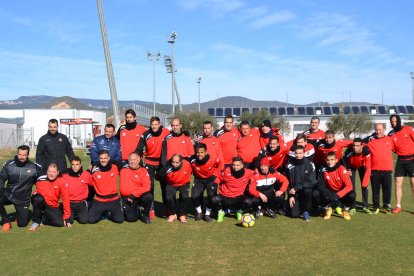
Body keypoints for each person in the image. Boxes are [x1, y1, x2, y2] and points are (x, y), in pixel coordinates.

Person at [135, 116, 170, 219]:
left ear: (159, 125)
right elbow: (139, 149)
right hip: (149, 163)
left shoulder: (166, 132)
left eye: (156, 124)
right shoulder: (146, 134)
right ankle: (151, 209)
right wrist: (138, 160)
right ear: (150, 125)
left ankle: (167, 208)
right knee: (150, 187)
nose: (154, 127)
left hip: (162, 163)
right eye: (152, 125)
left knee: (165, 187)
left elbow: (173, 140)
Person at [0, 145, 41, 231]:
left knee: (22, 224)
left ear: (28, 155)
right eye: (20, 154)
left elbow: (41, 181)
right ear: (17, 153)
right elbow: (1, 177)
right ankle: (6, 221)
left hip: (22, 199)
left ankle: (19, 215)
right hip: (9, 195)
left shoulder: (34, 167)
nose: (21, 157)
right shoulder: (9, 164)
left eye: (24, 155)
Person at [159, 118, 194, 214]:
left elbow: (191, 154)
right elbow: (164, 154)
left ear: (180, 126)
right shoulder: (167, 138)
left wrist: (189, 169)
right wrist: (164, 167)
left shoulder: (186, 137)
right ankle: (172, 212)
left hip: (184, 170)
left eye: (176, 125)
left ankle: (182, 213)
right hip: (171, 168)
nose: (175, 127)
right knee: (170, 194)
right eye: (173, 125)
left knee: (184, 194)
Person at [29, 163, 71, 230]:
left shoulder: (62, 182)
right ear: (47, 172)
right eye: (49, 171)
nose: (51, 174)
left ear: (57, 172)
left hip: (52, 205)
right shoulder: (40, 179)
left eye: (53, 172)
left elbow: (66, 199)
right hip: (40, 201)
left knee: (60, 223)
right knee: (38, 198)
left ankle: (42, 218)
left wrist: (66, 216)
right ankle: (36, 221)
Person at [211, 157, 254, 222]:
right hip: (225, 196)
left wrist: (270, 170)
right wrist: (215, 184)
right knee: (214, 199)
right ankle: (221, 212)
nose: (235, 167)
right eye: (233, 165)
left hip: (238, 197)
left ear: (242, 166)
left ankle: (239, 211)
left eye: (237, 165)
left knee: (249, 202)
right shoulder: (227, 171)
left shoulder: (248, 172)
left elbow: (256, 173)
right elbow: (219, 177)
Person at [364, 123, 395, 214]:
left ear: (384, 129)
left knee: (387, 189)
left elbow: (397, 149)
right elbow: (360, 143)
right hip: (375, 170)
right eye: (376, 130)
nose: (378, 132)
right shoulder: (370, 141)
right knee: (375, 190)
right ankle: (376, 206)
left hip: (387, 169)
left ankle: (386, 206)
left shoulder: (390, 140)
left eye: (380, 129)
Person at [88, 150, 124, 224]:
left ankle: (112, 211)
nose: (103, 160)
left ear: (108, 158)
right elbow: (84, 175)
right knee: (91, 220)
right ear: (99, 159)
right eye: (101, 158)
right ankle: (102, 212)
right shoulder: (94, 170)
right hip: (100, 200)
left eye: (105, 158)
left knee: (119, 220)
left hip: (113, 200)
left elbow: (128, 169)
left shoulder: (115, 167)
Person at [318, 152, 356, 221]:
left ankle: (345, 210)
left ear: (336, 160)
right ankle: (328, 209)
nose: (330, 162)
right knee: (316, 193)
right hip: (330, 191)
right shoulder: (323, 169)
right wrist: (328, 194)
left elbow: (349, 186)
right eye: (328, 160)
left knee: (352, 195)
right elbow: (320, 184)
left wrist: (338, 195)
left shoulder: (342, 169)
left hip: (341, 192)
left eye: (332, 160)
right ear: (325, 160)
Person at [388, 114, 414, 214]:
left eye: (395, 121)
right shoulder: (392, 135)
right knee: (398, 183)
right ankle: (398, 206)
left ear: (398, 121)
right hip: (401, 161)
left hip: (412, 160)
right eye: (392, 122)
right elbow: (393, 148)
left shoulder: (408, 129)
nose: (394, 123)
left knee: (413, 184)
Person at [189, 143, 221, 222]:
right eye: (197, 152)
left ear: (206, 152)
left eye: (202, 152)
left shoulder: (213, 158)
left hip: (211, 179)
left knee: (212, 196)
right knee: (194, 196)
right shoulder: (192, 159)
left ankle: (207, 214)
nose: (199, 154)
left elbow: (220, 165)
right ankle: (199, 212)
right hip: (198, 180)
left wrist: (215, 175)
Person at [120, 152, 153, 224]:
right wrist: (94, 164)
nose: (132, 162)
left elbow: (147, 187)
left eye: (134, 160)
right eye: (130, 160)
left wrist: (134, 195)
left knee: (148, 196)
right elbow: (109, 163)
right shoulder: (123, 169)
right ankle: (137, 210)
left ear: (139, 160)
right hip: (127, 198)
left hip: (138, 197)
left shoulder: (143, 171)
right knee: (131, 219)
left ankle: (146, 215)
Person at [285, 146, 317, 221]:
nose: (298, 155)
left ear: (304, 153)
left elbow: (311, 181)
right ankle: (294, 206)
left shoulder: (310, 164)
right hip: (294, 193)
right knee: (294, 215)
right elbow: (287, 182)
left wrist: (296, 188)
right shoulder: (289, 165)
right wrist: (291, 195)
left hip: (304, 191)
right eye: (296, 153)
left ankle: (306, 211)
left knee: (308, 191)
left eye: (300, 153)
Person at [342, 138, 372, 214]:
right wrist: (348, 169)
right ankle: (352, 207)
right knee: (351, 186)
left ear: (362, 146)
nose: (355, 147)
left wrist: (365, 181)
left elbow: (368, 167)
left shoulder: (366, 151)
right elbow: (344, 162)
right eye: (354, 145)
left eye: (358, 146)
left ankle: (365, 206)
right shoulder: (349, 151)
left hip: (362, 166)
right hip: (351, 167)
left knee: (365, 186)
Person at [62, 156, 93, 224]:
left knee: (84, 221)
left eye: (77, 164)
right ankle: (64, 210)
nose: (75, 166)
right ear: (70, 165)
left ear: (80, 165)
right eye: (73, 164)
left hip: (81, 203)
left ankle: (88, 206)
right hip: (69, 203)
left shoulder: (86, 174)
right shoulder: (65, 175)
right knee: (70, 221)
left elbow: (93, 185)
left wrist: (89, 199)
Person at [164, 154, 192, 223]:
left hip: (184, 183)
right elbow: (159, 177)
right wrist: (163, 172)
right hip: (171, 184)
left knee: (184, 196)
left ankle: (182, 214)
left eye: (177, 162)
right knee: (169, 197)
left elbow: (192, 171)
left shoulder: (187, 164)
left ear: (181, 161)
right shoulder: (167, 167)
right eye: (173, 162)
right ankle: (173, 214)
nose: (174, 164)